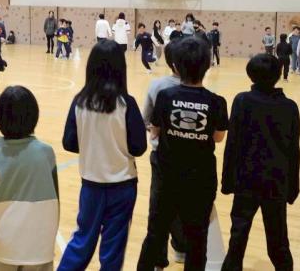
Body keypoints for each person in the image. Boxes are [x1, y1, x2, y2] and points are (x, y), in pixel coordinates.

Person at [137, 37, 228, 271]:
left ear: (176, 65)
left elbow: (154, 131)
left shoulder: (166, 96)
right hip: (201, 176)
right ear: (207, 66)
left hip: (167, 174)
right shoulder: (217, 101)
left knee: (156, 231)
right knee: (197, 238)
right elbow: (218, 137)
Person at [59, 40, 147, 270]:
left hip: (91, 184)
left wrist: (92, 144)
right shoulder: (126, 103)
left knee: (82, 239)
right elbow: (139, 147)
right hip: (123, 185)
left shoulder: (80, 102)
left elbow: (69, 143)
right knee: (113, 247)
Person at [221, 53, 300, 271]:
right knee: (278, 239)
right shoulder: (290, 107)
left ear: (251, 75)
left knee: (238, 235)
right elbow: (293, 151)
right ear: (278, 75)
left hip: (246, 179)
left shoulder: (242, 101)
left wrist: (227, 181)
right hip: (276, 182)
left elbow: (232, 144)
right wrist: (292, 187)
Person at [0, 86, 58, 271]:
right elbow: (56, 202)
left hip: (5, 246)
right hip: (41, 246)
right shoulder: (47, 153)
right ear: (34, 116)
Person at [141, 40, 188, 268]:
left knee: (159, 206)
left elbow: (145, 120)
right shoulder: (200, 90)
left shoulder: (157, 86)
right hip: (190, 157)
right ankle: (180, 247)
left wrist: (155, 131)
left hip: (162, 156)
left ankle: (158, 258)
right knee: (183, 204)